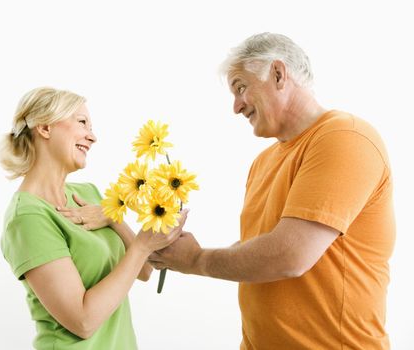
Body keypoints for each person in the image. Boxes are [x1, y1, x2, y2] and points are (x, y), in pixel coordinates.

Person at [149, 33, 395, 349]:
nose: (236, 106)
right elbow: (263, 247)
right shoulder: (264, 161)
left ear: (278, 74)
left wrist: (197, 260)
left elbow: (289, 255)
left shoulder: (345, 138)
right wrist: (174, 251)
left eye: (241, 88)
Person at [0, 87, 187, 349]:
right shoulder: (28, 217)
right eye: (82, 122)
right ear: (44, 128)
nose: (93, 136)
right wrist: (144, 243)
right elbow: (83, 321)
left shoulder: (87, 194)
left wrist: (113, 219)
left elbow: (143, 270)